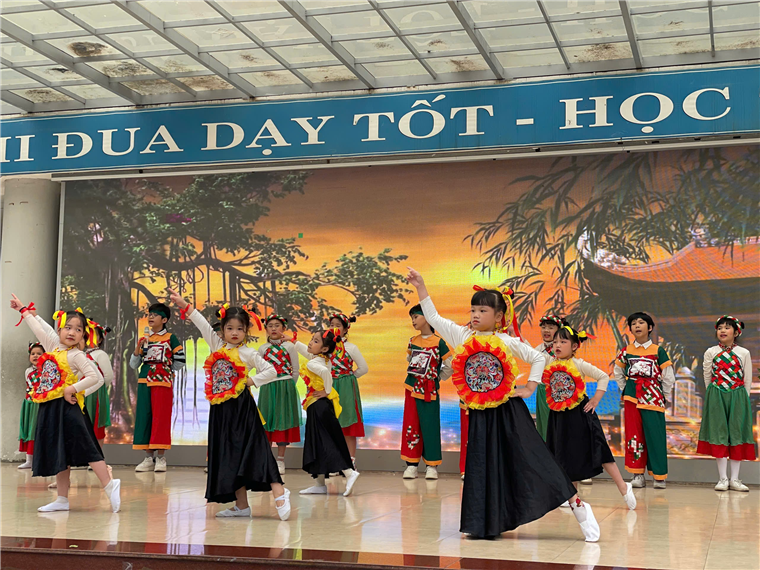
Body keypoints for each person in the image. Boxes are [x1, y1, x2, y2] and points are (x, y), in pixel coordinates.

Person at [405, 270, 600, 542]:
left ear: (498, 316)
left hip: (508, 412)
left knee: (536, 459)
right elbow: (435, 318)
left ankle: (578, 506)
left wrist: (530, 387)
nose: (475, 315)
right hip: (480, 415)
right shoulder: (463, 335)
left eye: (482, 310)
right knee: (482, 465)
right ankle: (482, 523)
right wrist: (421, 287)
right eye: (473, 309)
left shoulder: (506, 341)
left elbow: (537, 358)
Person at [168, 290, 291, 520]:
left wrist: (250, 381)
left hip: (243, 410)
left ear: (246, 331)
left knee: (258, 450)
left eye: (240, 329)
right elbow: (202, 324)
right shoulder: (217, 345)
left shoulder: (249, 353)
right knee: (229, 455)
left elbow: (271, 371)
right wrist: (185, 305)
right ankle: (241, 506)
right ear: (223, 330)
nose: (235, 333)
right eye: (230, 328)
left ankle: (280, 493)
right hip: (221, 411)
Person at [10, 295, 120, 513]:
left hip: (68, 410)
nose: (72, 332)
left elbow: (96, 378)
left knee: (88, 448)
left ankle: (109, 484)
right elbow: (39, 329)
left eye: (78, 329)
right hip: (50, 408)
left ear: (83, 335)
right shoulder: (52, 346)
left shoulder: (77, 355)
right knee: (60, 452)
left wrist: (74, 390)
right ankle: (62, 499)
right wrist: (24, 310)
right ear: (59, 330)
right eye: (68, 327)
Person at [532, 325, 636, 510]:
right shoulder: (548, 361)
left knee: (599, 449)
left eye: (563, 341)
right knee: (564, 453)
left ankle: (623, 486)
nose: (557, 345)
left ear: (574, 346)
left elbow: (603, 377)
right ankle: (572, 494)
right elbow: (531, 356)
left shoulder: (579, 364)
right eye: (555, 342)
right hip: (559, 415)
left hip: (580, 414)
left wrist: (595, 400)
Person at [293, 329, 361, 497]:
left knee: (325, 442)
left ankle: (349, 472)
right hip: (320, 406)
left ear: (324, 349)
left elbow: (324, 373)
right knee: (318, 442)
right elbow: (308, 353)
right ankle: (319, 484)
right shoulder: (323, 359)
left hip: (318, 406)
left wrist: (327, 391)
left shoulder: (314, 364)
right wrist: (293, 342)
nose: (310, 342)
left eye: (315, 341)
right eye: (312, 339)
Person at [615, 312, 675, 489]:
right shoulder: (626, 351)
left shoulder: (658, 350)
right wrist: (626, 388)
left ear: (649, 328)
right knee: (634, 435)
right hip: (632, 398)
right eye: (633, 323)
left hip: (653, 397)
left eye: (641, 322)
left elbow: (668, 376)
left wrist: (663, 395)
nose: (637, 325)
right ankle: (637, 474)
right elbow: (618, 373)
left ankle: (659, 476)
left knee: (655, 435)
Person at [697, 315, 754, 492]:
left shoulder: (743, 353)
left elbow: (747, 378)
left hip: (738, 395)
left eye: (727, 327)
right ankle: (722, 478)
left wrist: (743, 398)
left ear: (736, 333)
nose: (722, 330)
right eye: (720, 328)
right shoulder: (711, 352)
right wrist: (713, 393)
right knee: (718, 432)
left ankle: (735, 479)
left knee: (736, 433)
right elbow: (707, 375)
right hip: (717, 395)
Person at [130, 302, 185, 472]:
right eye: (149, 314)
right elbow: (134, 364)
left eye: (155, 314)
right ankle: (148, 457)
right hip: (144, 381)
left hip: (162, 382)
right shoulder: (144, 339)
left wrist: (165, 370)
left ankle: (161, 457)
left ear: (164, 319)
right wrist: (138, 348)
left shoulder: (170, 338)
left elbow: (180, 361)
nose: (151, 317)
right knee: (144, 417)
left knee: (161, 417)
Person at [401, 304, 453, 480]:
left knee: (430, 426)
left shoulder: (439, 342)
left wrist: (437, 378)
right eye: (412, 318)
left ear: (427, 318)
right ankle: (411, 465)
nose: (413, 321)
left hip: (430, 391)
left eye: (416, 317)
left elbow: (450, 365)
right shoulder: (413, 341)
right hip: (411, 389)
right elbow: (409, 360)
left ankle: (432, 465)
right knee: (411, 424)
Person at [258, 314, 302, 475]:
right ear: (266, 329)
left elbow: (295, 370)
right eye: (270, 326)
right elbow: (259, 370)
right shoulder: (262, 349)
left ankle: (280, 460)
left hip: (285, 386)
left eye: (277, 325)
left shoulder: (289, 347)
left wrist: (288, 385)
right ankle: (266, 459)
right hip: (267, 387)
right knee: (267, 421)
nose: (274, 328)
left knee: (282, 421)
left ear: (283, 328)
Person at [327, 313, 368, 466]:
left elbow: (363, 368)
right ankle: (333, 460)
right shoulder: (326, 347)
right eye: (331, 325)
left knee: (348, 423)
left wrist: (349, 377)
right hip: (329, 386)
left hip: (346, 387)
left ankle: (350, 462)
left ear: (345, 329)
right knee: (331, 422)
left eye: (338, 325)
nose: (334, 328)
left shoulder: (351, 348)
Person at [83, 321, 113, 447]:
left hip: (96, 395)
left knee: (96, 426)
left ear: (100, 339)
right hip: (82, 393)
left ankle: (97, 455)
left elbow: (108, 376)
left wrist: (98, 390)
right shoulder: (81, 354)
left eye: (93, 335)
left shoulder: (101, 354)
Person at [18, 342, 44, 469]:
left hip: (42, 404)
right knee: (29, 430)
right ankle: (29, 459)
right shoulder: (28, 371)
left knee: (39, 430)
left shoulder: (47, 371)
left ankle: (42, 459)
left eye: (39, 353)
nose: (35, 356)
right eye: (33, 353)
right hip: (30, 403)